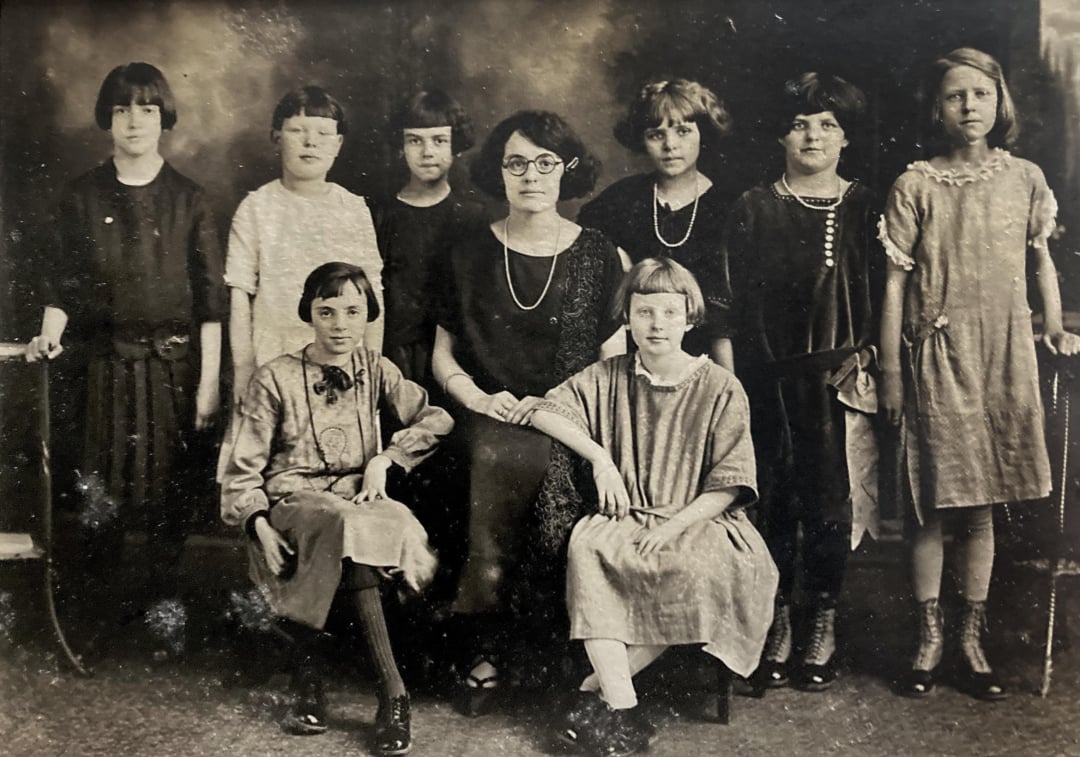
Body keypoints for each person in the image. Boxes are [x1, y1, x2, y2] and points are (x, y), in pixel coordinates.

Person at [879, 47, 1080, 700]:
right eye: (954, 96)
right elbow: (894, 287)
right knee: (934, 503)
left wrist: (1052, 326)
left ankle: (970, 635)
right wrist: (890, 372)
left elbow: (1040, 260)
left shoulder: (1023, 177)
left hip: (1002, 356)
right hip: (937, 357)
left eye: (980, 94)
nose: (969, 106)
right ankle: (929, 635)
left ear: (1001, 104)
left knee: (983, 504)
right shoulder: (915, 184)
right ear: (936, 109)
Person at [530, 257, 778, 756]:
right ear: (628, 318)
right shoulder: (609, 376)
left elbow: (730, 484)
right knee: (590, 548)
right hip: (630, 512)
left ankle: (590, 697)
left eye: (669, 312)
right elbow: (545, 409)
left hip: (699, 516)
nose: (656, 324)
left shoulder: (720, 387)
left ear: (690, 318)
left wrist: (675, 526)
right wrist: (601, 460)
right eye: (644, 312)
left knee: (691, 566)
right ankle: (624, 710)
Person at [26, 62, 225, 651]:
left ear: (163, 118)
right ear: (106, 120)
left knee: (168, 500)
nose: (133, 121)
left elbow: (212, 303)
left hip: (173, 371)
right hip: (102, 368)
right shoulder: (80, 195)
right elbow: (61, 285)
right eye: (120, 109)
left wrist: (209, 386)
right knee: (98, 501)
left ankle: (163, 617)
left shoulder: (190, 198)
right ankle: (93, 619)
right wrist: (48, 335)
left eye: (145, 109)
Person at [431, 110, 625, 715]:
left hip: (573, 415)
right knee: (487, 453)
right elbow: (443, 357)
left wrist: (561, 406)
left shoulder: (600, 254)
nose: (532, 175)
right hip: (483, 411)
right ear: (499, 171)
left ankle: (541, 648)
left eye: (546, 162)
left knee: (540, 459)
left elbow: (612, 362)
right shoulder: (467, 252)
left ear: (567, 170)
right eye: (517, 162)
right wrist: (480, 399)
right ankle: (485, 639)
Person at [220, 262, 453, 755]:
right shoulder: (275, 377)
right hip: (293, 503)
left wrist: (387, 460)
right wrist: (257, 525)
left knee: (379, 525)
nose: (341, 324)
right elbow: (241, 470)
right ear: (310, 314)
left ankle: (311, 678)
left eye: (353, 311)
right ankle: (393, 694)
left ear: (369, 314)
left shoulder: (376, 368)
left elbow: (438, 418)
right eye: (327, 311)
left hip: (359, 499)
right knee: (343, 525)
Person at [725, 73, 880, 692]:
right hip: (767, 381)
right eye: (799, 124)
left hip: (840, 380)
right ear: (780, 135)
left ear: (845, 137)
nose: (812, 135)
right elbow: (731, 306)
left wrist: (866, 355)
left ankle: (822, 618)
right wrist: (736, 386)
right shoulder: (753, 207)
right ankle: (779, 620)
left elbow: (885, 296)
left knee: (830, 505)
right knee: (774, 502)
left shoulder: (866, 206)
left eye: (826, 124)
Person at [219, 86, 384, 477]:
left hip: (342, 358)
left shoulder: (352, 208)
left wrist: (373, 367)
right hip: (273, 357)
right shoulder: (256, 208)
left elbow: (372, 295)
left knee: (340, 468)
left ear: (338, 144)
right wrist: (244, 372)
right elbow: (240, 295)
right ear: (277, 137)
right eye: (297, 130)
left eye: (323, 133)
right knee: (271, 471)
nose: (310, 142)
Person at [577, 78, 737, 367]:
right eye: (656, 134)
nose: (670, 145)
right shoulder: (618, 202)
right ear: (642, 140)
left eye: (683, 131)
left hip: (712, 361)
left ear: (704, 135)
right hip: (633, 358)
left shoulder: (732, 207)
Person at [374, 88, 487, 388]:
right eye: (415, 140)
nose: (427, 152)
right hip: (389, 358)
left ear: (456, 147)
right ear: (401, 146)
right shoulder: (379, 215)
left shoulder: (472, 217)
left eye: (439, 141)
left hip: (454, 359)